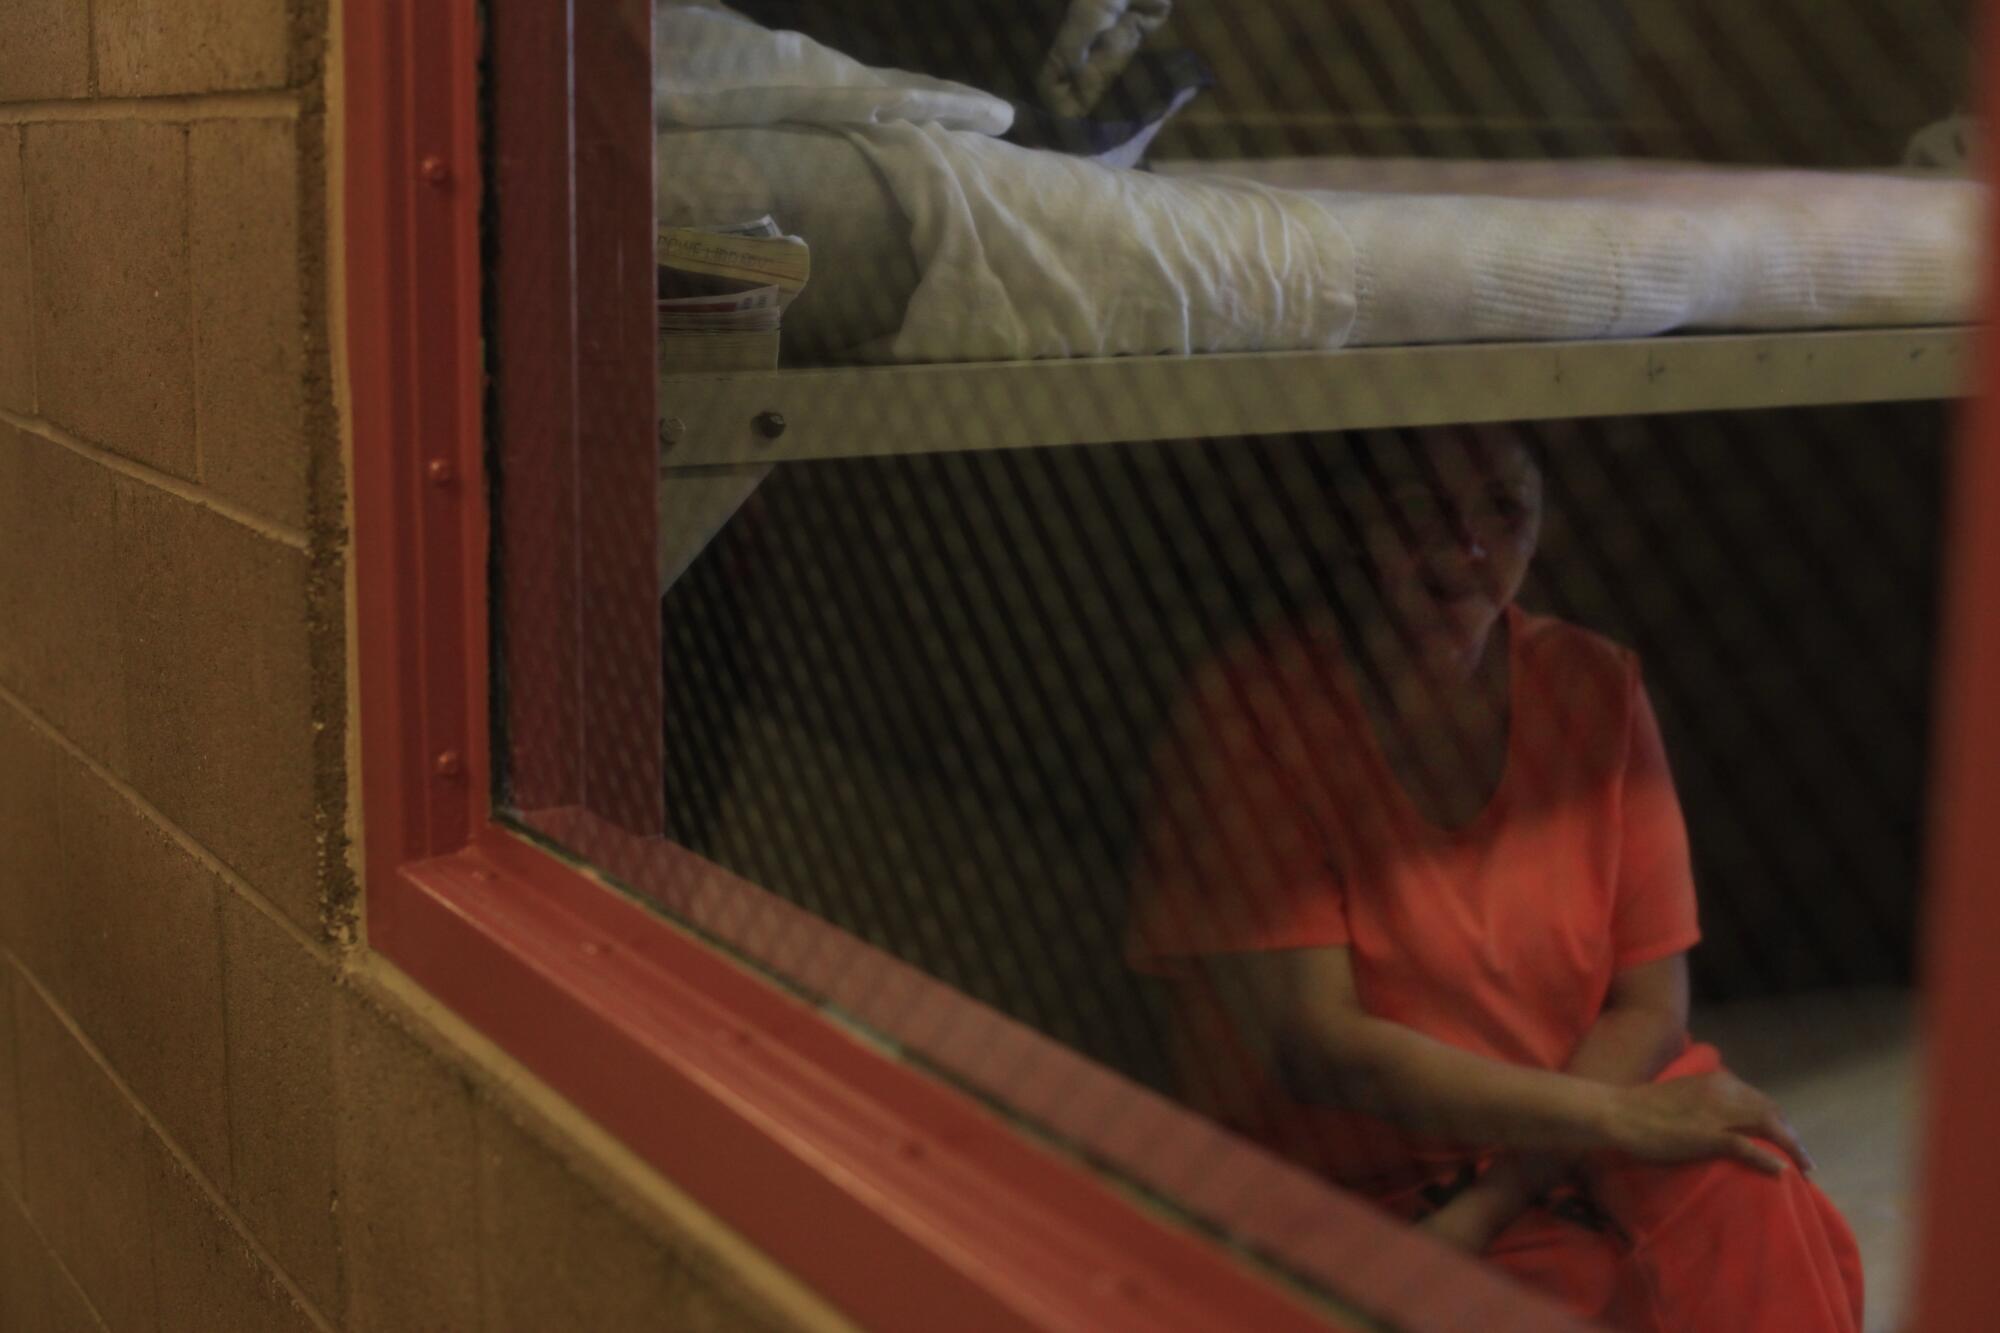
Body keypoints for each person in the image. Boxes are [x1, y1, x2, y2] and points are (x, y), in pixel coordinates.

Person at [1126, 429, 1864, 1331]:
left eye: (1503, 508)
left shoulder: (1596, 684)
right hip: (1374, 1186)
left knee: (1752, 1186)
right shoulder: (1251, 717)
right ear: (1349, 513)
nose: (1465, 544)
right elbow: (1318, 1045)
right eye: (1417, 507)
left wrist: (1509, 1188)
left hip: (1569, 1143)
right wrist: (1583, 1139)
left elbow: (1648, 1004)